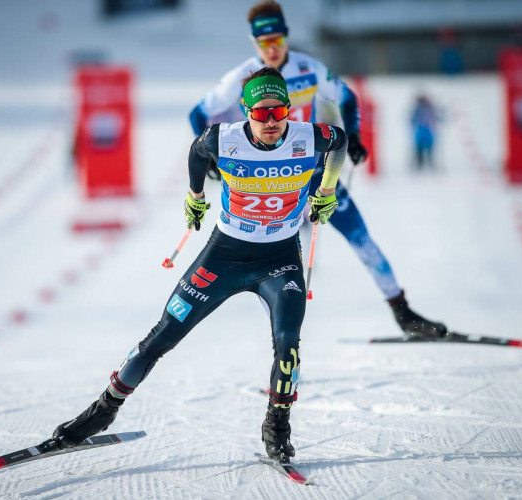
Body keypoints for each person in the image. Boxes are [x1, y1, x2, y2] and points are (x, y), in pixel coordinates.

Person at [48, 67, 348, 464]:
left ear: (290, 110)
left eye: (279, 112)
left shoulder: (310, 136)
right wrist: (194, 195)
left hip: (279, 261)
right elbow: (196, 150)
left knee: (288, 342)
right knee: (163, 335)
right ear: (246, 112)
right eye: (261, 114)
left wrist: (326, 189)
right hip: (223, 256)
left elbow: (340, 142)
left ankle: (277, 426)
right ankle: (102, 411)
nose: (272, 122)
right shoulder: (222, 140)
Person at [189, 0, 447, 339]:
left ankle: (402, 312)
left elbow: (347, 97)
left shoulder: (307, 69)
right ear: (255, 43)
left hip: (313, 174)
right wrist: (212, 160)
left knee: (362, 240)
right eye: (264, 42)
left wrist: (352, 136)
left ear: (286, 36)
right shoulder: (241, 78)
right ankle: (282, 350)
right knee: (277, 270)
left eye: (278, 39)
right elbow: (199, 115)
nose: (273, 48)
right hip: (267, 185)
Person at [411, 93, 438, 170]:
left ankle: (429, 162)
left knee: (429, 147)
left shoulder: (430, 108)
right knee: (419, 148)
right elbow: (412, 118)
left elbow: (436, 117)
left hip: (428, 129)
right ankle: (420, 164)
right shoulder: (417, 108)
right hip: (421, 129)